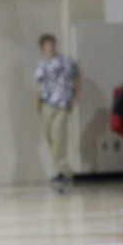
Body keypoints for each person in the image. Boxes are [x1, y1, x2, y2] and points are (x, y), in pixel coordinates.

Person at [34, 33, 80, 186]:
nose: (50, 46)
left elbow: (77, 79)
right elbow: (39, 86)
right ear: (42, 47)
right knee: (50, 137)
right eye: (47, 44)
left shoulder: (66, 62)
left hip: (62, 103)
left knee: (58, 136)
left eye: (52, 43)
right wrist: (37, 105)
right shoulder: (41, 65)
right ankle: (60, 169)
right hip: (46, 104)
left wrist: (75, 98)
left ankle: (63, 171)